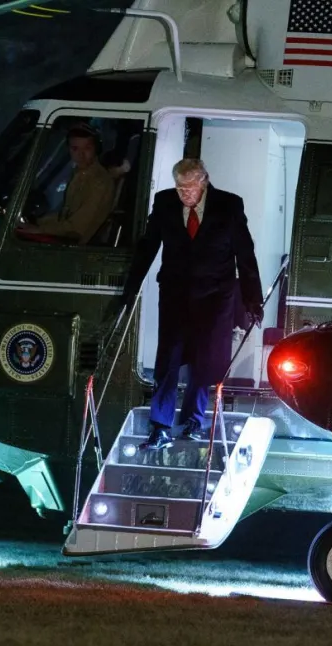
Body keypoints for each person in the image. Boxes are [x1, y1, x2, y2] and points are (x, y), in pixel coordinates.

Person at [109, 159, 264, 450]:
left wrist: (252, 298)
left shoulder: (229, 205)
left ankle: (193, 422)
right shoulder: (165, 202)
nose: (184, 194)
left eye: (189, 188)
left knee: (203, 361)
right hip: (176, 293)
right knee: (168, 360)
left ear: (203, 181)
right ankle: (160, 427)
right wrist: (128, 292)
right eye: (180, 188)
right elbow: (148, 247)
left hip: (216, 296)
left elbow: (245, 254)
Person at [19, 123, 115, 245]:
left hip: (76, 249)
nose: (80, 155)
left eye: (87, 148)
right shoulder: (80, 174)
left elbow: (76, 227)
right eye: (75, 149)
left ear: (96, 149)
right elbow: (65, 216)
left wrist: (39, 229)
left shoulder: (100, 181)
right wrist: (37, 222)